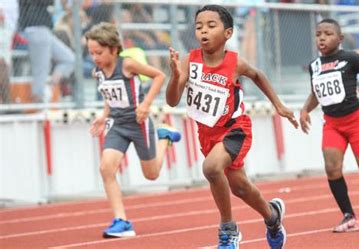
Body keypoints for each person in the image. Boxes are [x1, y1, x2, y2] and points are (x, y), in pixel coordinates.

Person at [166, 5, 298, 249]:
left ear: (227, 33)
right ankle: (272, 216)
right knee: (240, 187)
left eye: (211, 25)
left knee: (212, 168)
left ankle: (229, 230)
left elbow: (258, 75)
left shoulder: (235, 62)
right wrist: (175, 77)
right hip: (207, 134)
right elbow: (172, 100)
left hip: (235, 129)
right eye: (199, 26)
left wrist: (278, 104)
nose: (203, 31)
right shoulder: (189, 61)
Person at [85, 22, 181, 238]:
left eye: (98, 52)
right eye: (91, 53)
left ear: (113, 48)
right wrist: (104, 115)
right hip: (117, 125)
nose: (94, 57)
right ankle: (122, 220)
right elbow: (109, 96)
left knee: (152, 174)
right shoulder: (98, 72)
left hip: (138, 123)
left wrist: (146, 104)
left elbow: (159, 76)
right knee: (106, 168)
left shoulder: (127, 64)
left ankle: (164, 137)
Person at [299, 18, 359, 233]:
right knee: (331, 167)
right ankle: (349, 216)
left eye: (328, 34)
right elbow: (316, 92)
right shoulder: (314, 66)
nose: (322, 38)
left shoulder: (350, 59)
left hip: (356, 121)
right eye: (318, 34)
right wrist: (305, 109)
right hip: (332, 124)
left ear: (340, 39)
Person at [18, 0, 75, 103]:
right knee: (41, 70)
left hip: (46, 30)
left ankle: (50, 86)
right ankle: (38, 104)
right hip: (35, 29)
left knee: (69, 59)